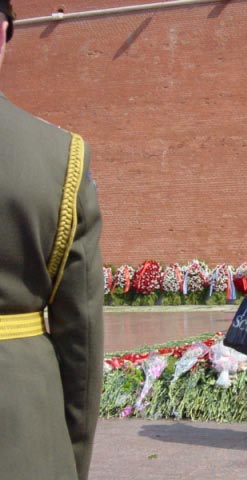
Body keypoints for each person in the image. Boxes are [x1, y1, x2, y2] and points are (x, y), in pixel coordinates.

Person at [0, 2, 104, 479]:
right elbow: (79, 333)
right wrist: (68, 459)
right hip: (25, 436)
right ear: (3, 31)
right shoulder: (61, 159)